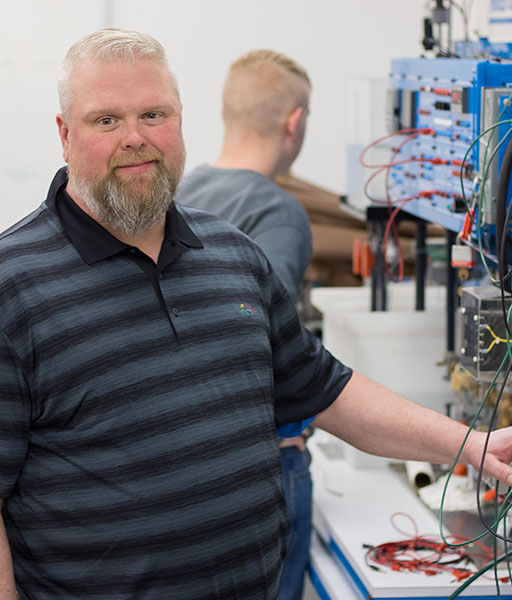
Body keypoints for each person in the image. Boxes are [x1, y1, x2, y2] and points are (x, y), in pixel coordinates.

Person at [0, 28, 512, 600]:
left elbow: (326, 391)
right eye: (105, 120)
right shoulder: (14, 284)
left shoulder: (231, 254)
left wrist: (469, 444)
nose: (136, 138)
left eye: (154, 114)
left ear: (181, 120)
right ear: (64, 134)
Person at [177, 49, 314, 600]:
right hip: (264, 468)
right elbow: (260, 346)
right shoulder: (279, 212)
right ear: (295, 121)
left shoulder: (181, 191)